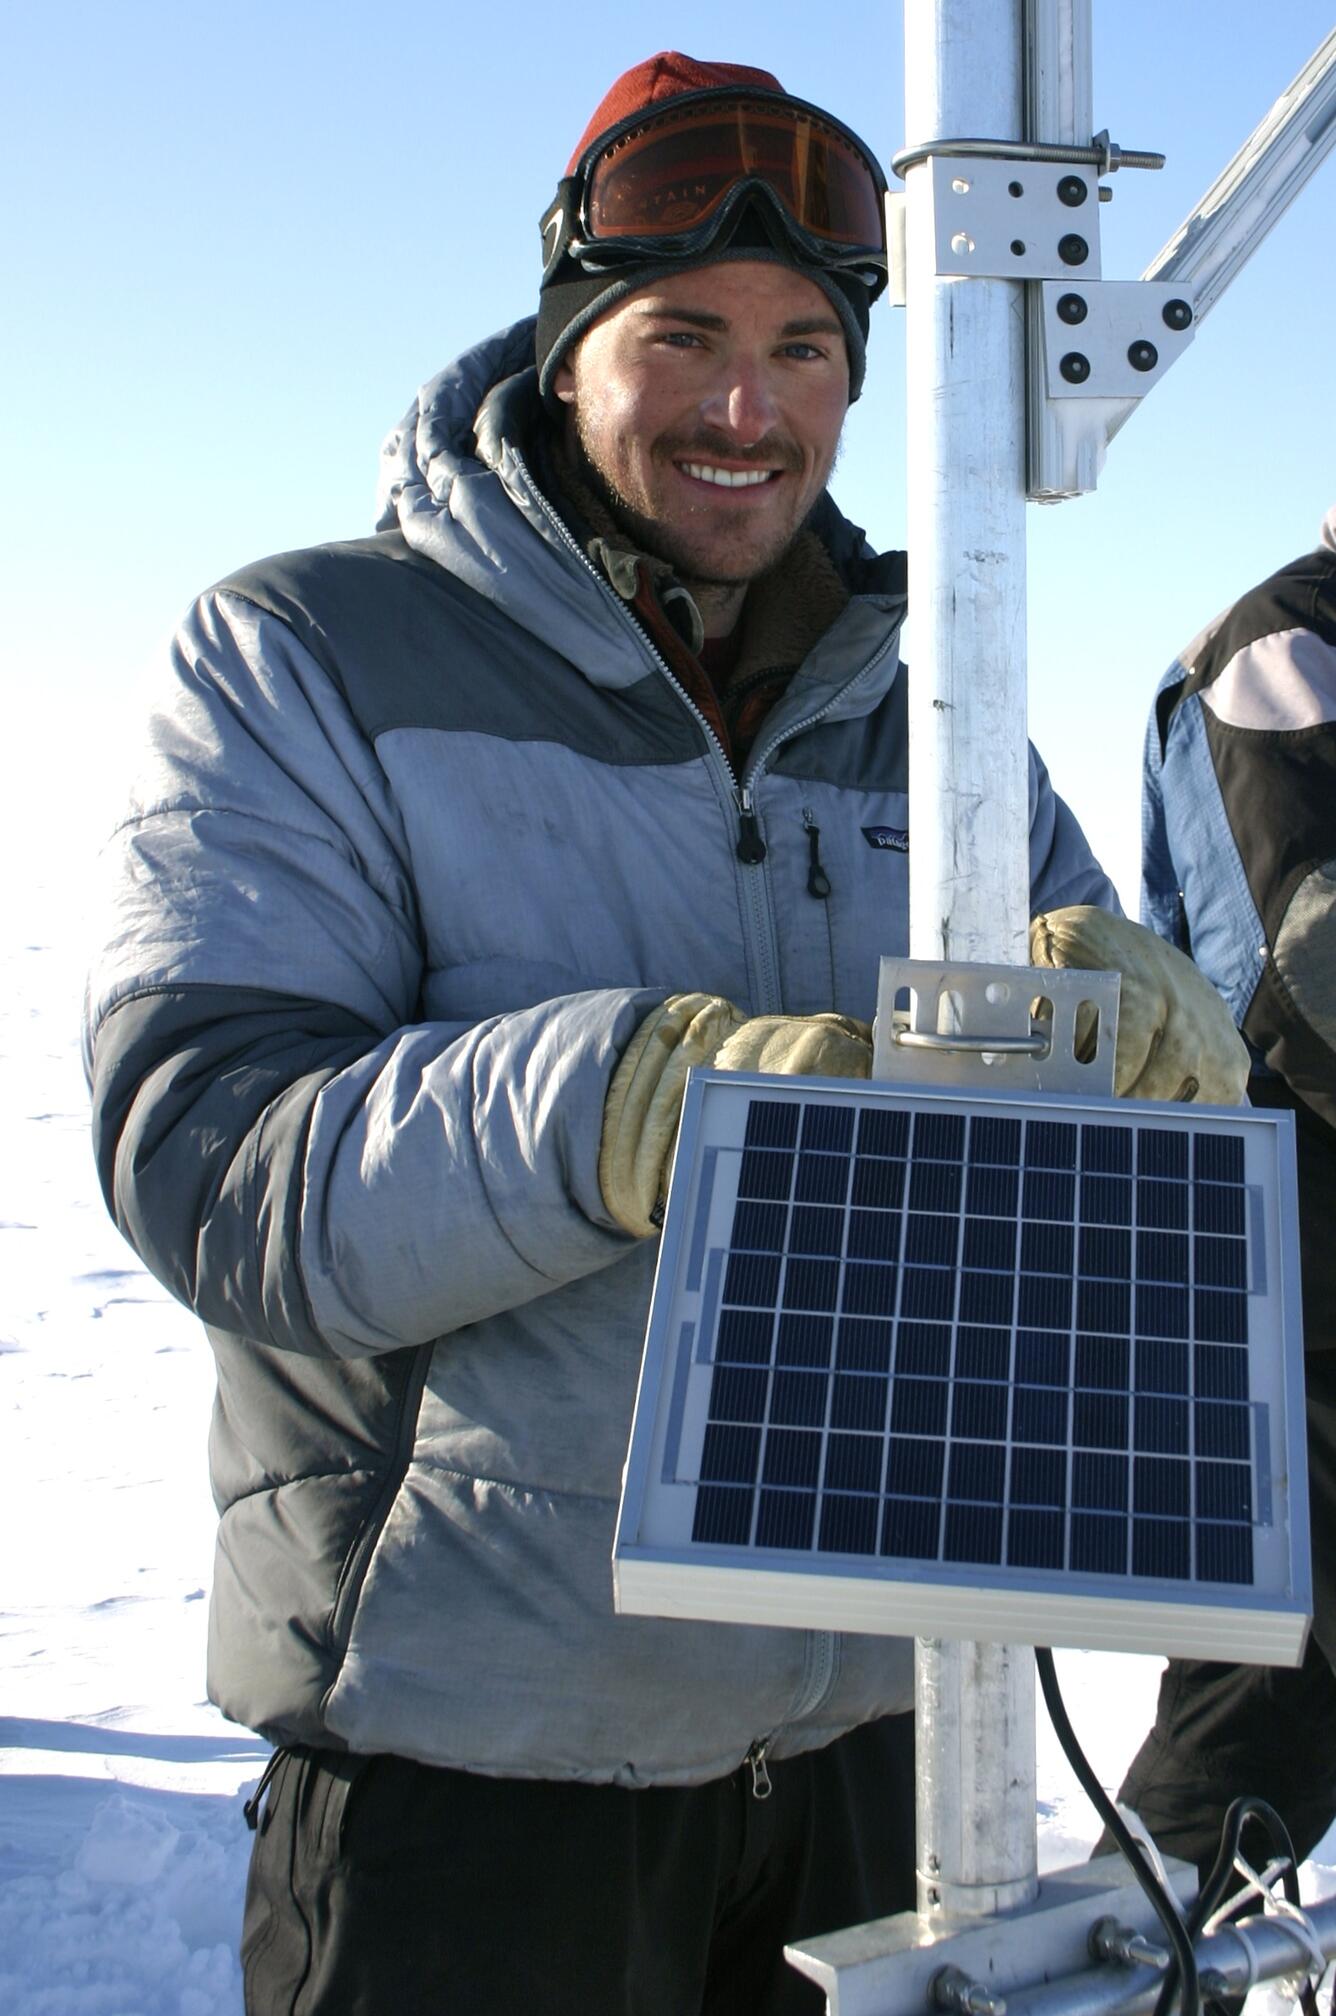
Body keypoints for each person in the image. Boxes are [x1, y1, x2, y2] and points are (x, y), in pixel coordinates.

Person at [83, 51, 1245, 2015]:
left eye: (807, 346)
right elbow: (220, 1169)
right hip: (484, 1768)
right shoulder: (311, 654)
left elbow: (1092, 1111)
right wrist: (631, 1107)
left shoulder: (926, 703)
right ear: (563, 347)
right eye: (682, 336)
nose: (748, 405)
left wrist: (1146, 1032)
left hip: (891, 1741)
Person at [1114, 506, 1336, 1883]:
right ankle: (1143, 1956)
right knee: (1263, 1718)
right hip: (1305, 1297)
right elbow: (1307, 981)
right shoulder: (1284, 643)